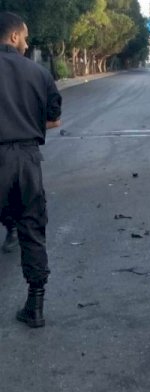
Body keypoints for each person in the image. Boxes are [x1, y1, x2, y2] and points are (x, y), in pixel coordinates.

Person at [0, 12, 62, 327]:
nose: (26, 44)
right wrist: (26, 123)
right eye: (24, 37)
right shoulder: (39, 73)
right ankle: (35, 306)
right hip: (26, 159)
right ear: (14, 37)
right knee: (32, 229)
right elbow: (53, 119)